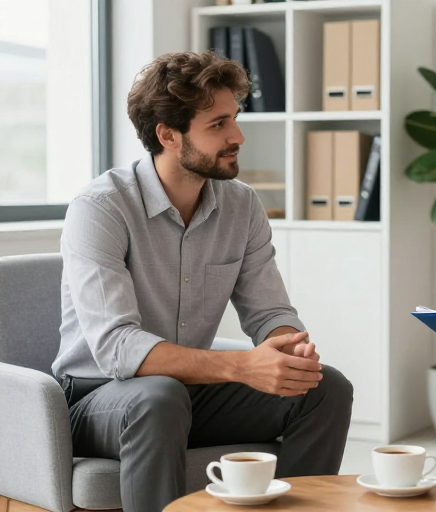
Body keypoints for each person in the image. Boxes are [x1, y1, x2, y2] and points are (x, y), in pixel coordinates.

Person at [52, 52, 353, 512]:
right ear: (168, 135)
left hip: (186, 395)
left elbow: (269, 311)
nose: (238, 136)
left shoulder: (242, 206)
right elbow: (117, 347)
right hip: (98, 399)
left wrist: (288, 349)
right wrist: (241, 367)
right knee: (159, 397)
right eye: (217, 125)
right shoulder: (101, 208)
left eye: (234, 118)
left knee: (324, 388)